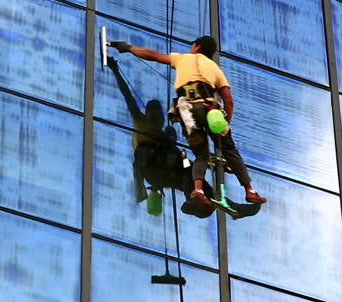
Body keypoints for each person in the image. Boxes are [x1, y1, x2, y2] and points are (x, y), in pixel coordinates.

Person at [109, 36, 267, 212]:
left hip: (185, 117)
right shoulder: (215, 69)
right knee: (227, 151)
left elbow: (152, 54)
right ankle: (248, 190)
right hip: (204, 117)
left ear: (197, 47)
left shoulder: (183, 58)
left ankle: (200, 195)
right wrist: (225, 127)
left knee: (197, 161)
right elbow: (229, 101)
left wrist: (128, 47)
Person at [106, 56, 216, 218]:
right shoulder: (142, 121)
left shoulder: (163, 135)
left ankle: (204, 198)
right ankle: (193, 196)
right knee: (176, 161)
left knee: (189, 168)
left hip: (168, 173)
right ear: (149, 114)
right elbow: (127, 95)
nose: (158, 119)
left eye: (159, 116)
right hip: (152, 168)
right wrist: (115, 70)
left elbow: (181, 159)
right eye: (155, 114)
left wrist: (186, 158)